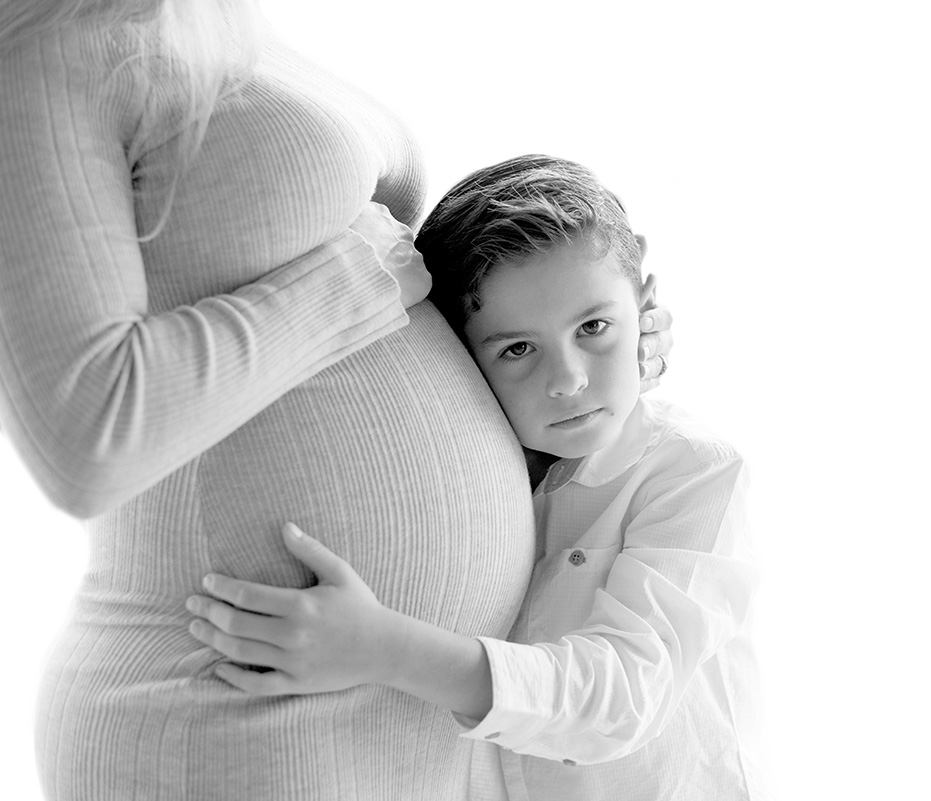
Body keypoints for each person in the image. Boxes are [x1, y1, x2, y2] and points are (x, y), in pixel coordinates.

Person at [0, 4, 671, 799]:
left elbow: (394, 285)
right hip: (229, 711)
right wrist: (346, 288)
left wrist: (590, 341)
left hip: (406, 720)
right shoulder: (42, 46)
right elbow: (85, 432)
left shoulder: (209, 21)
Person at [186, 155, 767, 800]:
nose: (569, 379)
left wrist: (382, 647)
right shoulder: (497, 471)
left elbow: (620, 699)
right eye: (518, 349)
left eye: (593, 327)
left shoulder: (694, 472)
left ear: (646, 307)